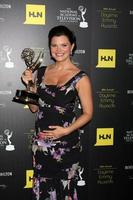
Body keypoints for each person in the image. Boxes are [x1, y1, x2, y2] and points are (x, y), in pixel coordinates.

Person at [21, 25, 93, 200]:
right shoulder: (40, 72)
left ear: (72, 47)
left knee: (64, 191)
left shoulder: (80, 78)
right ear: (49, 47)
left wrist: (66, 130)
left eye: (64, 45)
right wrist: (29, 84)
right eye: (54, 45)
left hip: (66, 147)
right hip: (41, 146)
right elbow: (34, 108)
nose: (59, 50)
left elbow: (88, 113)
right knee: (42, 192)